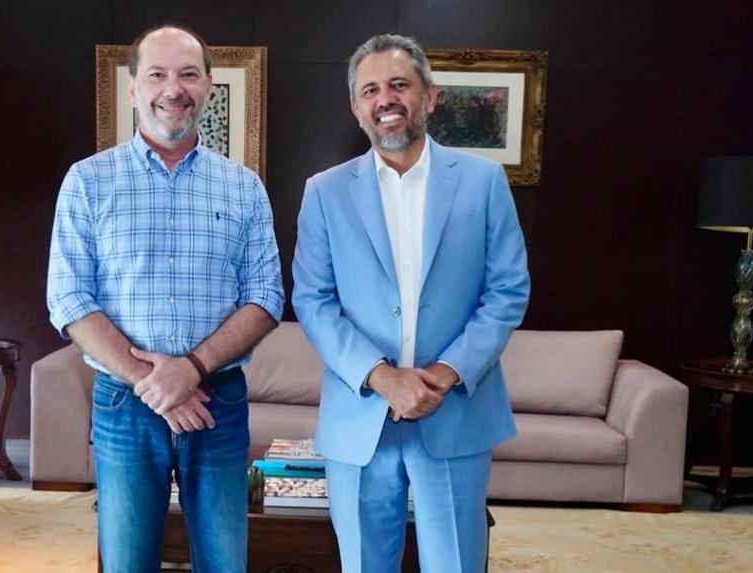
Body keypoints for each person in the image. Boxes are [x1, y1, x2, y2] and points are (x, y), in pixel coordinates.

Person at [46, 25, 283, 573]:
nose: (173, 89)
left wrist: (191, 369)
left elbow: (267, 296)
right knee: (127, 563)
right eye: (157, 75)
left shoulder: (244, 187)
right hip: (125, 405)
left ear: (208, 86)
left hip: (217, 401)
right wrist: (153, 383)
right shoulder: (87, 182)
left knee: (225, 563)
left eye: (188, 75)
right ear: (133, 88)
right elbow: (68, 297)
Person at [292, 34, 530, 572]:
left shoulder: (483, 182)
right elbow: (313, 299)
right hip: (360, 419)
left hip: (455, 411)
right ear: (356, 109)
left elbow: (507, 291)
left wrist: (443, 374)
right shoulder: (325, 192)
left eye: (399, 84)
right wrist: (381, 377)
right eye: (370, 90)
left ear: (431, 96)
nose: (386, 99)